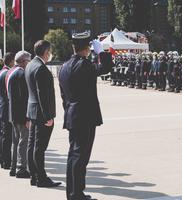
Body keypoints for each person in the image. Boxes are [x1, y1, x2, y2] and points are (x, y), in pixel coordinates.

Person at [59, 32, 113, 200]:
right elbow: (105, 68)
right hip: (84, 116)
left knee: (73, 156)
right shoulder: (84, 65)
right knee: (81, 157)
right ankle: (76, 194)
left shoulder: (64, 66)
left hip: (72, 115)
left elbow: (63, 96)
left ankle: (74, 192)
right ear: (87, 49)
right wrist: (102, 52)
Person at [25, 40, 61, 187]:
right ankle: (41, 178)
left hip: (33, 111)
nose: (50, 54)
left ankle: (34, 176)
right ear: (46, 52)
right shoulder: (40, 68)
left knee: (32, 145)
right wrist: (48, 117)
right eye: (50, 51)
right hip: (41, 114)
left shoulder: (30, 65)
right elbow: (42, 95)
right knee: (39, 148)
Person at [6, 51, 31, 178]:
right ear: (24, 61)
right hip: (21, 114)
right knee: (23, 142)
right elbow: (25, 98)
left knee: (15, 142)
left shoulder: (10, 72)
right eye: (29, 61)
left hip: (12, 113)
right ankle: (21, 169)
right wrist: (27, 117)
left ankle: (13, 167)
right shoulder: (21, 73)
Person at [0, 53, 15, 170]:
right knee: (7, 137)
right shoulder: (7, 73)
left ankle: (3, 160)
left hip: (2, 107)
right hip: (6, 108)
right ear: (10, 62)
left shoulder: (2, 72)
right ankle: (6, 161)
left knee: (4, 135)